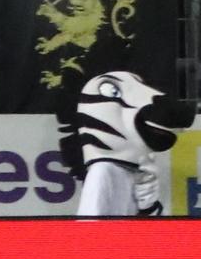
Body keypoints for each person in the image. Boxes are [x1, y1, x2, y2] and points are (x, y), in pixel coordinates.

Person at [59, 67, 187, 219]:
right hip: (111, 242)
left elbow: (149, 232)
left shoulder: (140, 172)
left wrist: (148, 207)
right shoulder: (103, 171)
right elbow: (88, 226)